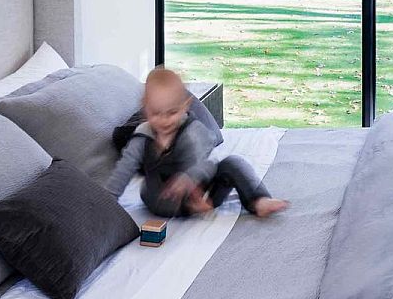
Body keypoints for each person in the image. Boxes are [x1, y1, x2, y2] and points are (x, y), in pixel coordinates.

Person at [107, 67, 289, 219]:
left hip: (203, 192)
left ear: (185, 106)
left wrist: (189, 181)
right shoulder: (142, 135)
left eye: (172, 112)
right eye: (156, 113)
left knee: (233, 163)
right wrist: (108, 200)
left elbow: (206, 165)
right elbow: (124, 169)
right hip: (161, 199)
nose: (164, 120)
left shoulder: (193, 131)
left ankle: (258, 200)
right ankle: (192, 203)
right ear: (145, 109)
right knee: (157, 182)